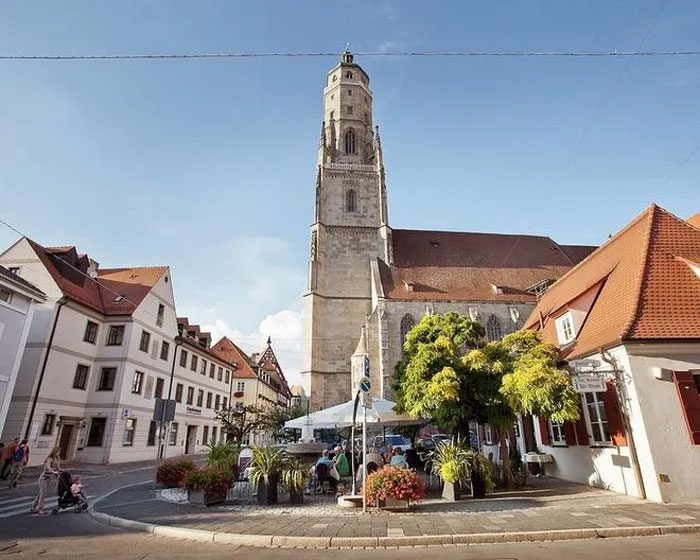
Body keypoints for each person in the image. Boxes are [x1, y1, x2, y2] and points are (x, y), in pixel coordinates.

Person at [30, 447, 61, 515]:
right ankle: (40, 509)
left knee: (41, 493)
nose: (59, 453)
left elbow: (58, 468)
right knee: (43, 493)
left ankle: (33, 507)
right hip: (43, 478)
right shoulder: (50, 458)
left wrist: (62, 471)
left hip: (49, 478)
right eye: (58, 452)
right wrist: (53, 472)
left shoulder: (57, 459)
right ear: (55, 452)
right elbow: (48, 468)